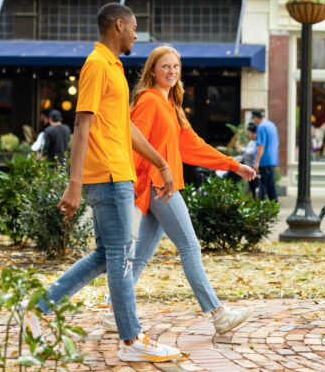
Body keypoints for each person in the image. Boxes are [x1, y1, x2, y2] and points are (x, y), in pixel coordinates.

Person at [23, 3, 181, 363]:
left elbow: (125, 127)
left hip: (118, 173)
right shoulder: (96, 65)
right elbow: (82, 125)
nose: (137, 35)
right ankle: (130, 340)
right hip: (107, 176)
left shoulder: (114, 67)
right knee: (123, 257)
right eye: (134, 28)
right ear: (119, 26)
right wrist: (73, 183)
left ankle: (37, 309)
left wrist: (160, 162)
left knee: (106, 256)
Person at [101, 45, 257, 336]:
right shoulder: (148, 101)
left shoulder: (170, 104)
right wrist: (135, 185)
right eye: (165, 67)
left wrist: (234, 165)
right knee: (190, 247)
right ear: (152, 70)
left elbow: (193, 146)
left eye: (176, 67)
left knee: (142, 255)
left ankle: (114, 311)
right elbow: (132, 141)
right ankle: (218, 314)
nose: (171, 72)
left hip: (160, 187)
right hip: (159, 187)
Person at [252, 109, 279, 202]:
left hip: (264, 160)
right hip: (272, 159)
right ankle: (274, 206)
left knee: (262, 185)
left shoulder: (261, 127)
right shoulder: (272, 125)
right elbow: (276, 143)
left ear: (255, 117)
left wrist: (256, 162)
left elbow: (261, 146)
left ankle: (262, 208)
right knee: (271, 184)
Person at [239, 122, 261, 198]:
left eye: (249, 133)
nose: (248, 135)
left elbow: (253, 151)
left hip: (253, 167)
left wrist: (242, 149)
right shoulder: (251, 141)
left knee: (255, 187)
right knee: (252, 187)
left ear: (254, 133)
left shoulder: (258, 142)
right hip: (248, 167)